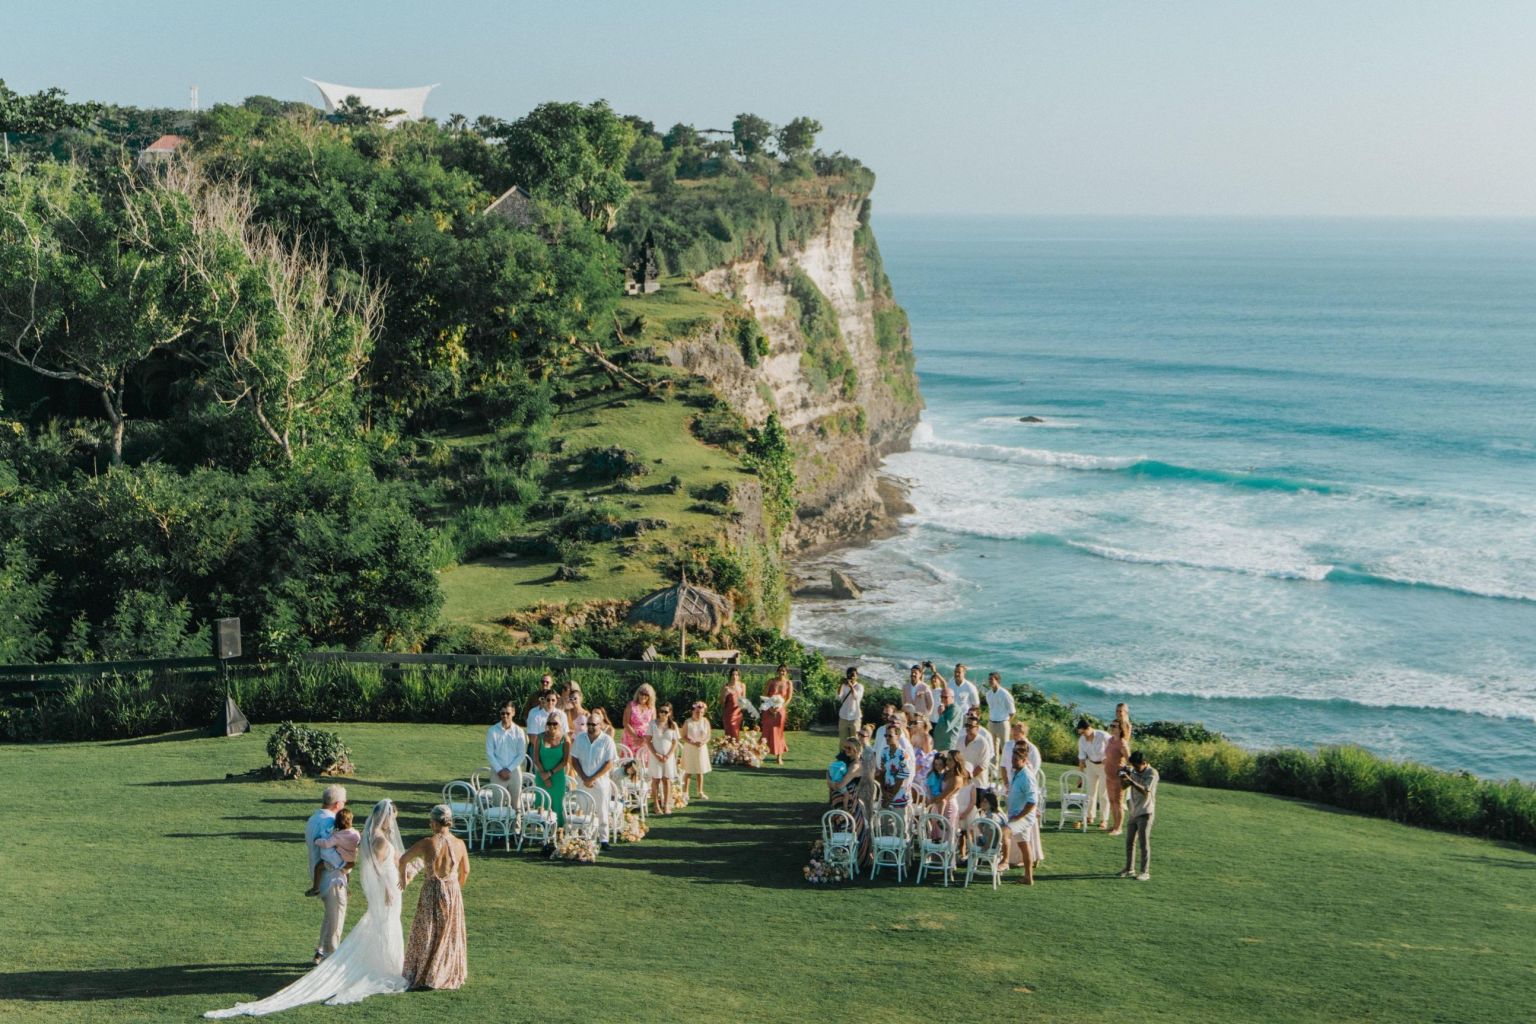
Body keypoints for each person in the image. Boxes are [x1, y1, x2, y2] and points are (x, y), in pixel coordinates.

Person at [206, 800, 408, 1017]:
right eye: (393, 817)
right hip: (387, 889)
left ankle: (384, 961)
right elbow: (376, 869)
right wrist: (388, 889)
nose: (393, 823)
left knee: (384, 923)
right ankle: (385, 965)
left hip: (388, 887)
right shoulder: (378, 839)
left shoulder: (369, 835)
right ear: (386, 817)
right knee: (386, 923)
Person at [399, 805, 469, 990]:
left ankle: (424, 971)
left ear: (435, 822)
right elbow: (466, 870)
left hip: (431, 889)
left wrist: (402, 880)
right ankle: (443, 971)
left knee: (427, 930)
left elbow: (403, 859)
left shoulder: (427, 843)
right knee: (448, 932)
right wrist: (456, 887)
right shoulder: (460, 844)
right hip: (452, 891)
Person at [304, 785, 349, 964]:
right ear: (338, 804)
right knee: (337, 917)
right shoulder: (331, 823)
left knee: (331, 914)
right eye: (344, 803)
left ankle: (320, 951)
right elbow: (331, 852)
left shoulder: (313, 818)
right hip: (331, 875)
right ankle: (331, 957)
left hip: (319, 874)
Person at [572, 708, 617, 849]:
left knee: (602, 810)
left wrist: (593, 778)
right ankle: (587, 838)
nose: (591, 727)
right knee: (584, 810)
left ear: (600, 725)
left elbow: (609, 763)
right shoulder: (580, 738)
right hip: (582, 780)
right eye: (589, 724)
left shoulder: (607, 740)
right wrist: (585, 777)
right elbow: (574, 759)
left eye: (594, 724)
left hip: (600, 782)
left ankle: (604, 840)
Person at [1118, 751, 1159, 881]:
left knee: (1144, 843)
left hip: (1146, 812)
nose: (1135, 768)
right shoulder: (1134, 771)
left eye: (1137, 766)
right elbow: (1124, 787)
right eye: (1133, 766)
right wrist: (1122, 777)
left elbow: (1146, 791)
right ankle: (1129, 869)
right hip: (1134, 811)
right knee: (1129, 842)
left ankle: (1145, 872)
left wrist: (1131, 780)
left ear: (1144, 763)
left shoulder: (1152, 773)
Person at [307, 807, 361, 897]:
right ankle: (346, 889)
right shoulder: (355, 834)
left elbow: (327, 844)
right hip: (351, 861)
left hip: (341, 860)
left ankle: (315, 888)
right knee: (346, 873)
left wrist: (317, 840)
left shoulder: (338, 836)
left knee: (318, 867)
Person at [1005, 743, 1038, 884]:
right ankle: (1028, 877)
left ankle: (1003, 861)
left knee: (1004, 831)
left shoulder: (1027, 777)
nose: (1013, 763)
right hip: (1015, 813)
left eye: (1016, 760)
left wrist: (1019, 817)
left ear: (1024, 761)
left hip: (1023, 816)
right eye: (1012, 760)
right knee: (1024, 845)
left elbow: (1032, 801)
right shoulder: (1015, 772)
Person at [534, 714, 571, 840]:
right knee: (541, 804)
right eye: (549, 723)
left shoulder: (565, 739)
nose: (552, 726)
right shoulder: (540, 737)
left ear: (560, 724)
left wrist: (549, 774)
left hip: (557, 777)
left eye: (555, 723)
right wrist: (544, 775)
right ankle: (542, 833)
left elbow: (565, 761)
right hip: (541, 776)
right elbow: (536, 759)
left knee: (557, 805)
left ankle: (557, 833)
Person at [485, 701, 527, 802]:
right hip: (497, 772)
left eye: (507, 713)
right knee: (497, 803)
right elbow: (489, 753)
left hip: (514, 771)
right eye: (502, 713)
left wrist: (508, 769)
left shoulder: (519, 731)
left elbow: (521, 754)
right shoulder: (492, 730)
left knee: (516, 804)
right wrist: (499, 770)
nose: (505, 716)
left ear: (513, 713)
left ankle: (516, 819)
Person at [1076, 717, 1113, 829]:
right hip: (1091, 765)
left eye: (1084, 732)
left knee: (1103, 793)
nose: (1083, 735)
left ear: (1089, 728)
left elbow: (1114, 747)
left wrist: (1110, 759)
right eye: (1081, 733)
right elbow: (1082, 759)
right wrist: (1080, 776)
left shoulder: (1103, 735)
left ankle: (1104, 820)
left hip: (1104, 766)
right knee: (1090, 792)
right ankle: (1089, 816)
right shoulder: (1082, 740)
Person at [647, 703, 681, 814]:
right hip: (655, 756)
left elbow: (675, 742)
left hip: (668, 757)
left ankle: (666, 805)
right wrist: (656, 754)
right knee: (655, 780)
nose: (663, 713)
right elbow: (648, 740)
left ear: (669, 713)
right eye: (661, 711)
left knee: (666, 780)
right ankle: (656, 805)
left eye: (665, 711)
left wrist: (668, 755)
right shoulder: (652, 723)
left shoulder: (673, 725)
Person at [983, 673, 1016, 777]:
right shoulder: (988, 694)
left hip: (1003, 724)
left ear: (997, 680)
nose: (990, 681)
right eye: (989, 679)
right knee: (992, 750)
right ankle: (993, 772)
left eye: (992, 679)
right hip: (992, 723)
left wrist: (1006, 722)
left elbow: (1012, 712)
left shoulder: (1005, 694)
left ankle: (1007, 773)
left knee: (1006, 749)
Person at [760, 664, 793, 765]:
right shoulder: (771, 681)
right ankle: (760, 754)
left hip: (780, 711)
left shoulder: (788, 683)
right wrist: (770, 708)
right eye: (780, 670)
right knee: (766, 732)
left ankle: (779, 757)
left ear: (786, 672)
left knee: (779, 733)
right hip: (768, 709)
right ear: (777, 671)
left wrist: (780, 707)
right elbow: (765, 695)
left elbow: (789, 698)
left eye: (783, 671)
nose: (781, 672)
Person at [878, 723, 913, 816]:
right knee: (883, 825)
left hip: (899, 795)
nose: (887, 738)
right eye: (886, 735)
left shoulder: (903, 754)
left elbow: (901, 777)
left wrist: (891, 797)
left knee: (899, 826)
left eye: (890, 735)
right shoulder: (884, 751)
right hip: (886, 793)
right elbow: (882, 772)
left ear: (898, 736)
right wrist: (883, 791)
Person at [680, 700, 712, 800]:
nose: (699, 714)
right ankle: (685, 792)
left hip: (701, 749)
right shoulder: (688, 722)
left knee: (700, 771)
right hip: (690, 748)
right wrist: (693, 742)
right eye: (697, 712)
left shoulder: (705, 721)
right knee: (688, 771)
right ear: (693, 711)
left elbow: (708, 736)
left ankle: (700, 792)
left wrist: (703, 742)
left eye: (702, 712)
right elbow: (683, 736)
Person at [1104, 720, 1130, 836]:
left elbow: (1129, 761)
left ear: (1121, 729)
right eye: (1111, 725)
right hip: (1108, 776)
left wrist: (1123, 775)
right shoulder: (1110, 740)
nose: (1112, 727)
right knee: (1111, 801)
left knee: (1118, 802)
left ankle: (1118, 828)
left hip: (1118, 778)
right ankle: (1114, 825)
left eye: (1114, 726)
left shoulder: (1122, 744)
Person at [623, 684, 657, 768]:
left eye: (646, 694)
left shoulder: (652, 708)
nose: (643, 696)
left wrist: (644, 740)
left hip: (645, 741)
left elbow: (653, 726)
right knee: (629, 766)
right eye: (642, 693)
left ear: (650, 696)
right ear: (638, 693)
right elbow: (626, 723)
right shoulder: (631, 705)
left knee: (643, 766)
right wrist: (636, 737)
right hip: (630, 739)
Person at [1001, 720, 1041, 785]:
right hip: (1009, 784)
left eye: (1017, 732)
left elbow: (1034, 769)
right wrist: (1006, 783)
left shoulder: (1032, 749)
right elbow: (1003, 765)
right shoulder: (1007, 745)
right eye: (1013, 731)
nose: (1014, 734)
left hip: (1025, 784)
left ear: (1023, 733)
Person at [960, 713, 995, 787]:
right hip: (962, 782)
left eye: (971, 726)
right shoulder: (960, 740)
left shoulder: (983, 743)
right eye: (967, 726)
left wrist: (969, 776)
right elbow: (957, 758)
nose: (968, 728)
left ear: (977, 728)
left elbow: (983, 764)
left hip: (978, 784)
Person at [835, 666, 864, 742]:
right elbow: (838, 697)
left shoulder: (859, 686)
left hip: (855, 717)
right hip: (843, 716)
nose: (851, 677)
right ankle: (842, 754)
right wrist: (841, 685)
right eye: (849, 675)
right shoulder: (844, 686)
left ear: (857, 676)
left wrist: (850, 686)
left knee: (855, 741)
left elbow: (856, 697)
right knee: (843, 741)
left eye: (853, 675)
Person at [932, 687, 963, 752]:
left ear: (952, 697)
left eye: (945, 697)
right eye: (941, 697)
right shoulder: (946, 708)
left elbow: (945, 728)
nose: (943, 699)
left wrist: (941, 714)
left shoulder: (954, 709)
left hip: (947, 747)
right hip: (939, 746)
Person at [721, 669, 746, 739]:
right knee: (729, 732)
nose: (734, 676)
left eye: (736, 675)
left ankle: (735, 748)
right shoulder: (726, 686)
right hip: (728, 713)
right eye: (733, 674)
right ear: (730, 675)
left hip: (738, 713)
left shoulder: (742, 685)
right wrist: (725, 695)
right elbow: (722, 703)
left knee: (736, 732)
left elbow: (744, 699)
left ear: (739, 676)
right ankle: (728, 748)